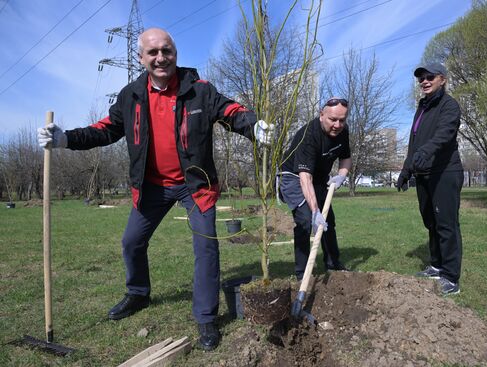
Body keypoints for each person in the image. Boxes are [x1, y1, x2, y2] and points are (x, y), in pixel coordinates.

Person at [37, 28, 271, 351]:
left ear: (175, 53)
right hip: (152, 188)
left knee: (206, 249)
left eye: (167, 51)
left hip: (195, 186)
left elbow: (230, 112)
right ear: (141, 58)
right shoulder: (130, 96)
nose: (161, 58)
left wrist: (255, 126)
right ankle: (138, 293)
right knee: (132, 241)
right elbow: (104, 130)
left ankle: (205, 317)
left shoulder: (199, 90)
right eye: (153, 52)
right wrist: (65, 139)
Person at [396, 63, 463, 295]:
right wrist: (406, 171)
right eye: (421, 79)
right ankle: (436, 265)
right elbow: (413, 143)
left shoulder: (449, 105)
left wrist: (427, 151)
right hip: (423, 174)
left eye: (430, 77)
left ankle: (451, 277)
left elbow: (444, 134)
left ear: (442, 79)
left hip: (444, 172)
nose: (424, 81)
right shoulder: (422, 108)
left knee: (446, 224)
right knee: (430, 222)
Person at [279, 98, 352, 280]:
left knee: (328, 222)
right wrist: (314, 211)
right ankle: (302, 274)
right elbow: (305, 177)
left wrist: (342, 175)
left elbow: (346, 157)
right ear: (321, 115)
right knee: (305, 220)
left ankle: (333, 264)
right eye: (333, 119)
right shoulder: (308, 136)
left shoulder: (343, 132)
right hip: (294, 177)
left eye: (342, 120)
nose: (337, 125)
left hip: (318, 177)